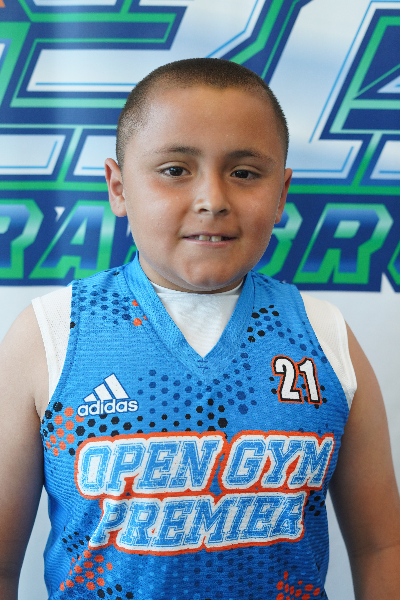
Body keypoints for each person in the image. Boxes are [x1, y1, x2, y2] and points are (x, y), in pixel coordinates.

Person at [0, 58, 399, 600]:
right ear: (118, 187)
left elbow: (382, 547)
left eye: (244, 173)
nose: (212, 199)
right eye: (174, 170)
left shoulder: (324, 335)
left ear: (281, 194)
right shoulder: (52, 333)